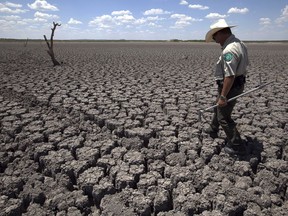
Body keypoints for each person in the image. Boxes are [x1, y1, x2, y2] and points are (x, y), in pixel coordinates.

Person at [204, 19, 249, 155]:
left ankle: (237, 146)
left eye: (215, 36)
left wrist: (223, 96)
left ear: (221, 33)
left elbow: (230, 75)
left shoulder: (229, 50)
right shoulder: (239, 43)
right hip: (235, 84)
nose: (215, 40)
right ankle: (213, 129)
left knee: (223, 116)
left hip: (230, 86)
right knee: (218, 106)